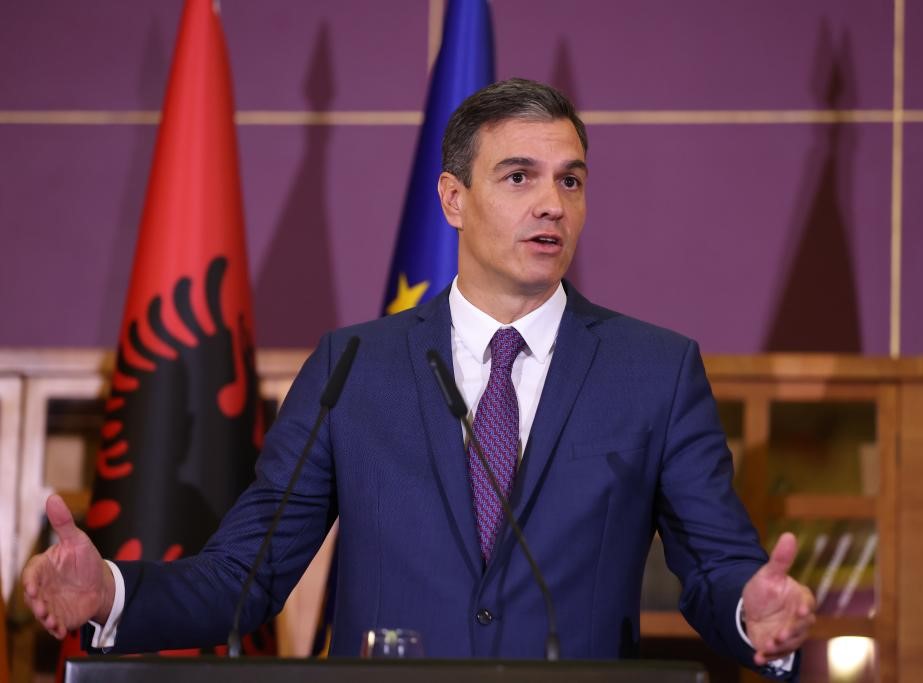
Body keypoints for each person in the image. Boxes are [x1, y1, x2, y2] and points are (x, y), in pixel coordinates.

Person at [23, 78, 814, 677]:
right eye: (519, 177)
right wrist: (109, 594)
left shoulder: (655, 371)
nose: (551, 203)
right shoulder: (352, 367)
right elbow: (245, 575)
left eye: (569, 180)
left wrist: (755, 612)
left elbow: (714, 567)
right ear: (453, 199)